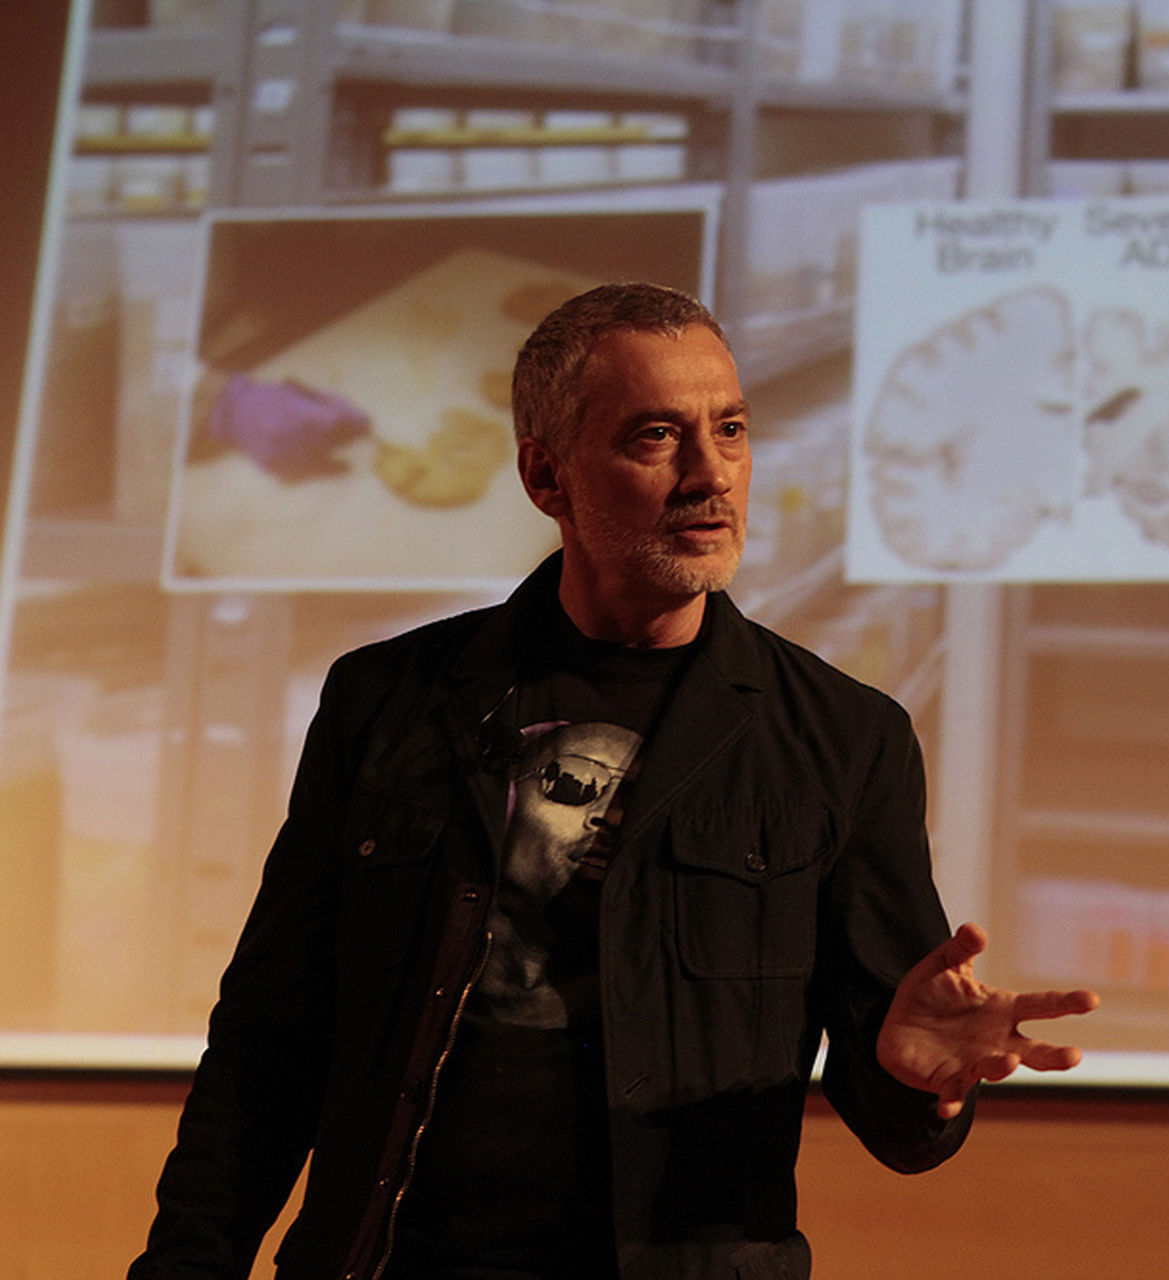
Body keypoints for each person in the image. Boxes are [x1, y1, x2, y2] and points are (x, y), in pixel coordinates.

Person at [130, 282, 1099, 1280]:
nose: (709, 474)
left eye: (730, 430)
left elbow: (896, 1103)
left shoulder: (846, 739)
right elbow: (269, 1042)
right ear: (546, 476)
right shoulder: (388, 700)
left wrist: (921, 1084)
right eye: (655, 436)